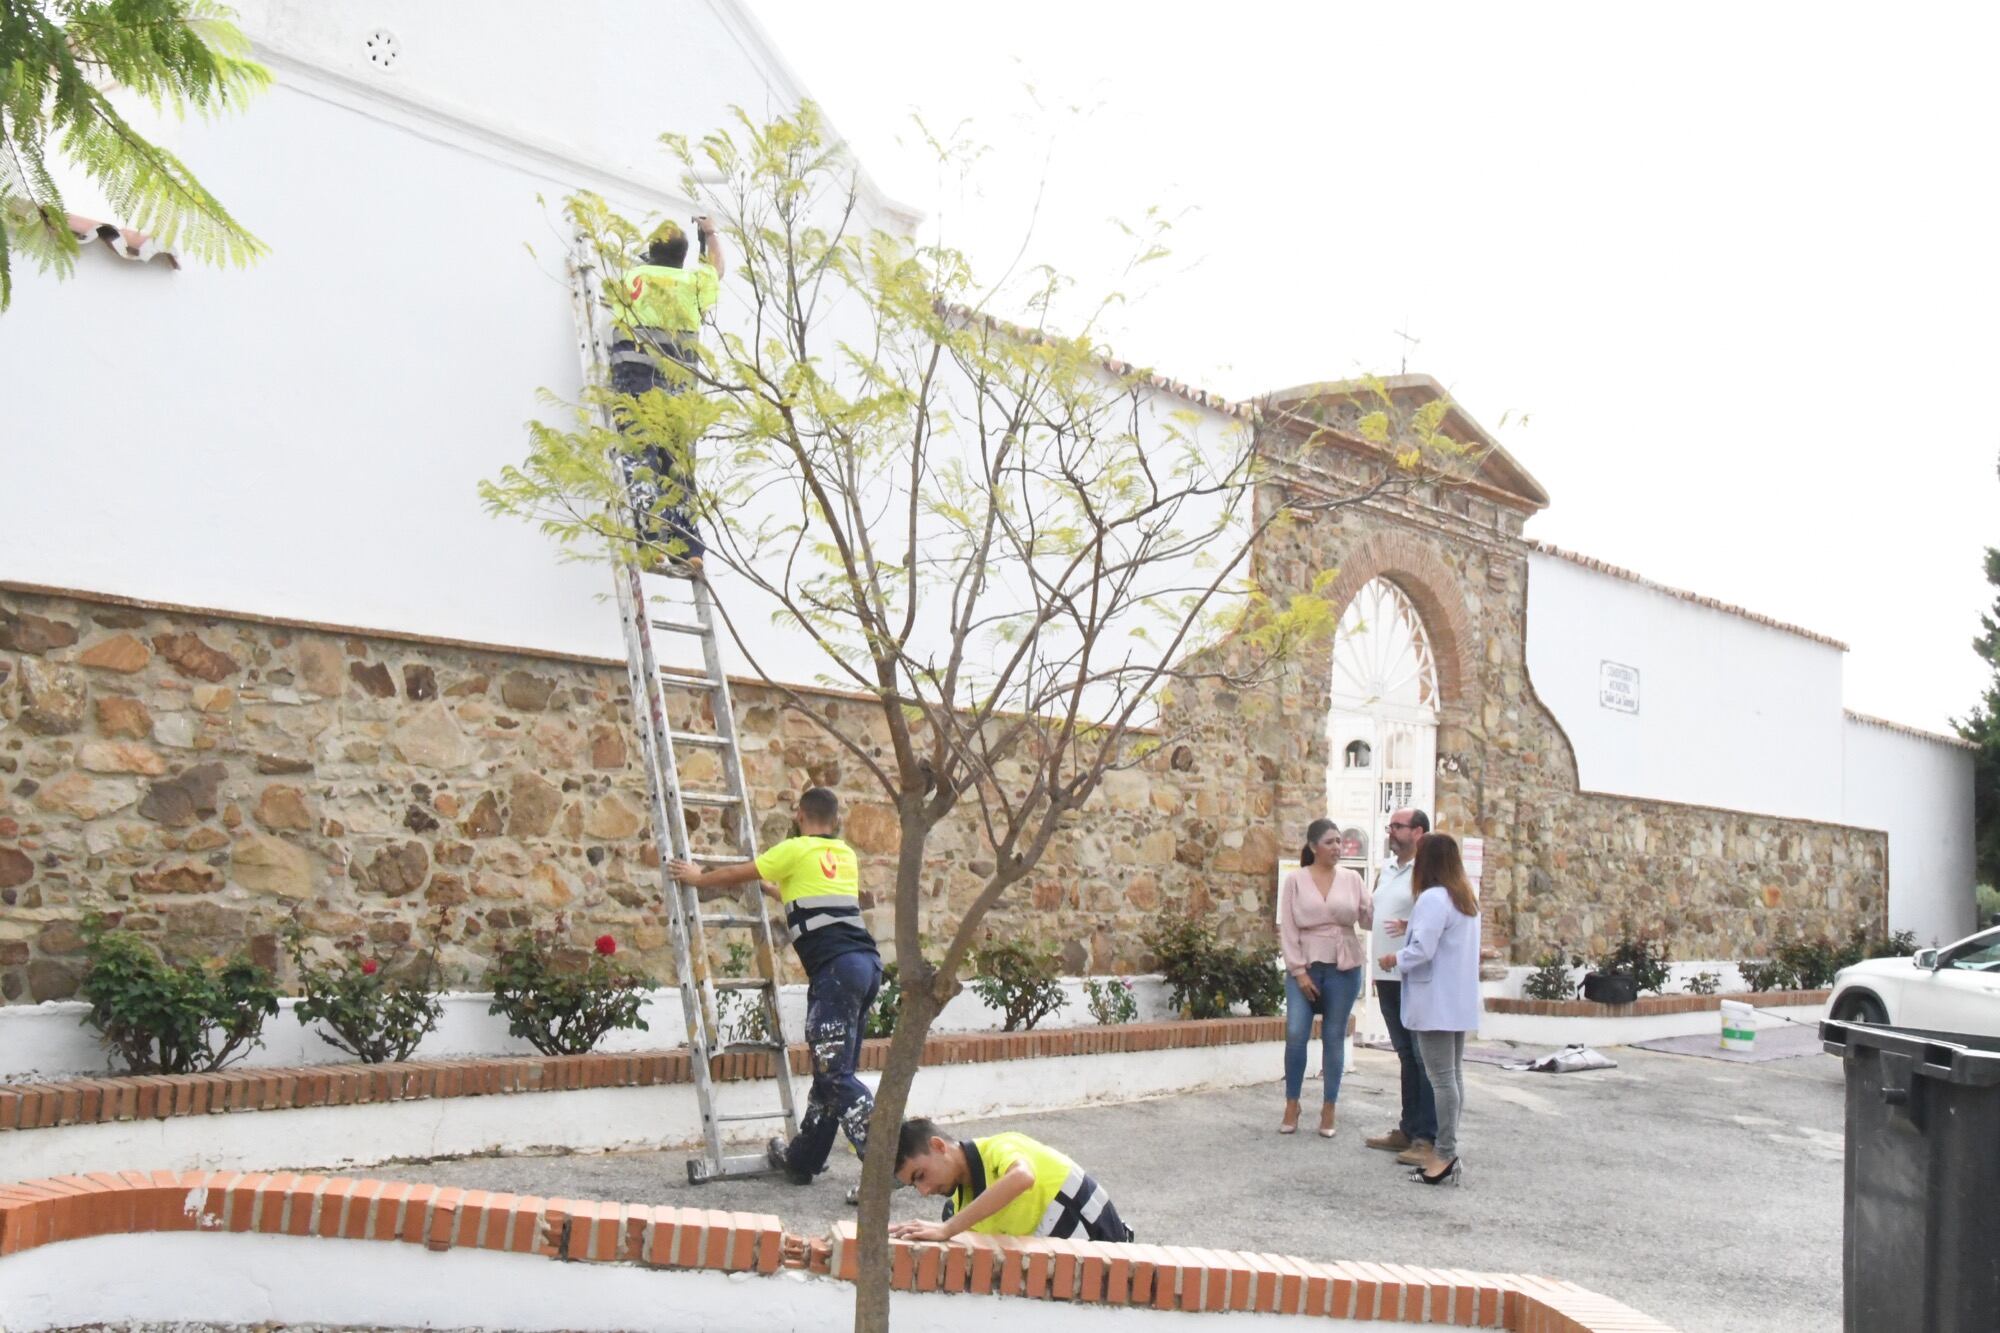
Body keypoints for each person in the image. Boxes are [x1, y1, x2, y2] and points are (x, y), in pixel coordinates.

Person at [666, 785, 880, 1185]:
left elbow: (738, 872)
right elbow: (813, 897)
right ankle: (803, 1161)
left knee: (835, 1077)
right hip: (866, 967)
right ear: (835, 822)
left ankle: (887, 1161)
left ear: (799, 816)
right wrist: (773, 889)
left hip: (835, 971)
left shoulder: (794, 850)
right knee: (831, 1073)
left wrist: (698, 878)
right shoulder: (844, 855)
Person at [609, 216, 726, 574]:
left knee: (639, 456)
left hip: (638, 379)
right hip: (679, 385)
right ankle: (689, 549)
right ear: (683, 256)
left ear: (652, 251)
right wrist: (710, 232)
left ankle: (654, 544)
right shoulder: (693, 281)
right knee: (677, 466)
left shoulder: (633, 278)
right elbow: (717, 270)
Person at [1376, 833, 1482, 1187]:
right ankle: (1448, 1149)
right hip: (1457, 1001)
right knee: (1453, 1076)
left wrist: (1395, 958)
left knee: (1440, 1078)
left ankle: (1445, 1153)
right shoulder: (1464, 898)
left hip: (1435, 1002)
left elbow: (1423, 950)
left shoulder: (1433, 899)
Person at [888, 1116, 1134, 1243]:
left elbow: (1022, 1177)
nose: (923, 1190)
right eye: (914, 1184)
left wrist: (949, 1229)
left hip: (1110, 1261)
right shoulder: (956, 1209)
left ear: (938, 1146)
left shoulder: (1001, 1146)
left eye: (920, 1176)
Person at [1276, 818, 1373, 1137]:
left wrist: (1378, 901)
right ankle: (1292, 1102)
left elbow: (1368, 919)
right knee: (1296, 1033)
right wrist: (1299, 970)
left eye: (1339, 842)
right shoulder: (1295, 881)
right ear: (1313, 846)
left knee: (1334, 1036)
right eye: (1331, 842)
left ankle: (1329, 1106)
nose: (1337, 847)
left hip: (1344, 967)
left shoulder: (1352, 878)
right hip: (1305, 964)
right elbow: (1287, 928)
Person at [1363, 807, 1439, 1166]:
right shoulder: (1388, 870)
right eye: (1390, 825)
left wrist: (1409, 925)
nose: (1390, 831)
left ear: (1418, 832)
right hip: (1387, 976)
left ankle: (1428, 1137)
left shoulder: (1428, 872)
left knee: (1423, 1058)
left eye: (1398, 826)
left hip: (1413, 975)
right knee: (1406, 1056)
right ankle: (1408, 1130)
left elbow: (1442, 916)